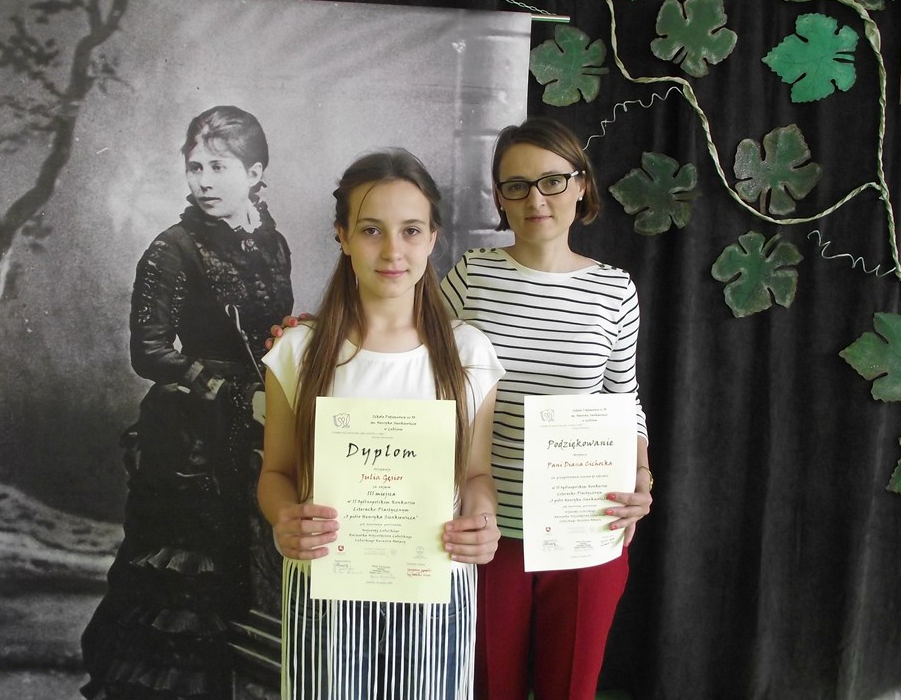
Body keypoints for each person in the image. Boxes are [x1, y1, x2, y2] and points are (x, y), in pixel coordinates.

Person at [257, 148, 505, 700]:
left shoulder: (468, 353)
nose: (393, 250)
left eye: (411, 230)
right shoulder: (298, 352)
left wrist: (483, 520)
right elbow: (276, 473)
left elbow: (475, 475)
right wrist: (284, 518)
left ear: (433, 238)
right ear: (343, 236)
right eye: (371, 230)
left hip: (434, 596)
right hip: (327, 596)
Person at [81, 105, 294, 699]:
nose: (203, 181)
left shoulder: (273, 245)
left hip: (257, 422)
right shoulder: (171, 249)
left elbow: (273, 333)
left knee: (249, 575)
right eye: (195, 167)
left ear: (255, 173)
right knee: (187, 578)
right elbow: (148, 351)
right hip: (189, 437)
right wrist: (232, 393)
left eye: (218, 167)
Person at [438, 116, 653, 700]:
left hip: (586, 526)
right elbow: (408, 348)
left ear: (581, 185)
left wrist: (641, 473)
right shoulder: (471, 276)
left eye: (553, 181)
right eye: (517, 186)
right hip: (490, 530)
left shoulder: (616, 290)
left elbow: (624, 399)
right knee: (489, 688)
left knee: (571, 690)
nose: (536, 199)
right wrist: (312, 333)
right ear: (500, 198)